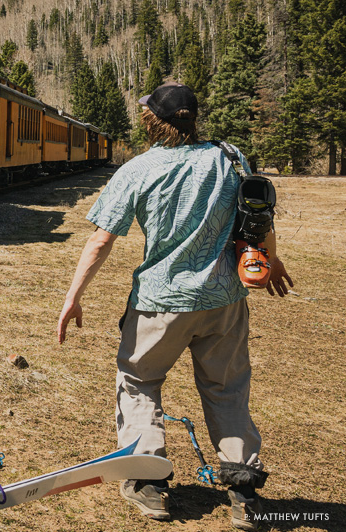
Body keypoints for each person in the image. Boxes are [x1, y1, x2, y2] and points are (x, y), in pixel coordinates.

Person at [56, 83, 293, 531]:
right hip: (224, 300)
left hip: (159, 303)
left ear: (151, 120)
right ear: (194, 118)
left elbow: (102, 238)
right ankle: (243, 491)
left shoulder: (140, 169)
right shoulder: (229, 157)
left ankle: (148, 485)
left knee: (140, 382)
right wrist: (272, 258)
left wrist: (74, 297)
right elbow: (258, 216)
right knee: (227, 389)